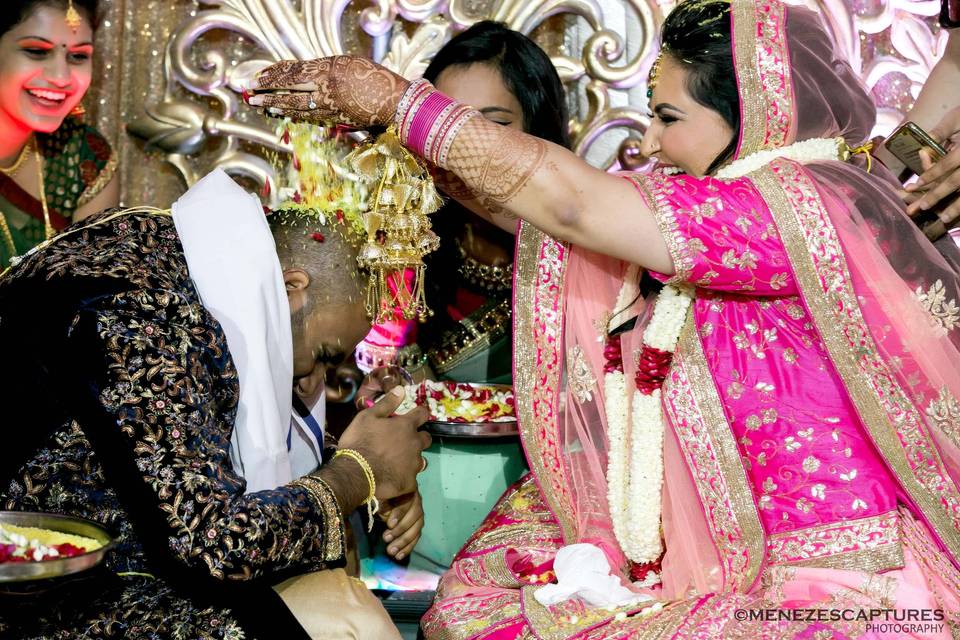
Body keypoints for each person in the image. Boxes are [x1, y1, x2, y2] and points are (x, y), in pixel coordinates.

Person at [251, 0, 960, 635]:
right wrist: (414, 138)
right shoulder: (722, 204)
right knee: (478, 602)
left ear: (754, 118)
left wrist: (401, 104)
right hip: (718, 552)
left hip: (838, 580)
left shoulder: (788, 208)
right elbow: (567, 220)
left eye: (670, 118)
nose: (648, 143)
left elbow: (578, 208)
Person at [0, 170, 431, 639]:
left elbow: (181, 441)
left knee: (341, 598)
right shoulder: (144, 316)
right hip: (42, 608)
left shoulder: (180, 255)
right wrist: (359, 472)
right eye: (325, 354)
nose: (313, 377)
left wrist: (371, 468)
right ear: (291, 289)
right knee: (345, 617)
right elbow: (214, 547)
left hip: (108, 569)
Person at [353, 20, 570, 570]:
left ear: (538, 133)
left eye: (490, 128)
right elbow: (374, 366)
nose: (461, 151)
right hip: (415, 498)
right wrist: (385, 385)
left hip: (545, 507)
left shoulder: (582, 252)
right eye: (443, 129)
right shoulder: (402, 240)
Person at [0, 0, 119, 269]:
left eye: (78, 56)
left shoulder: (84, 157)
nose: (61, 77)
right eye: (36, 51)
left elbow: (86, 291)